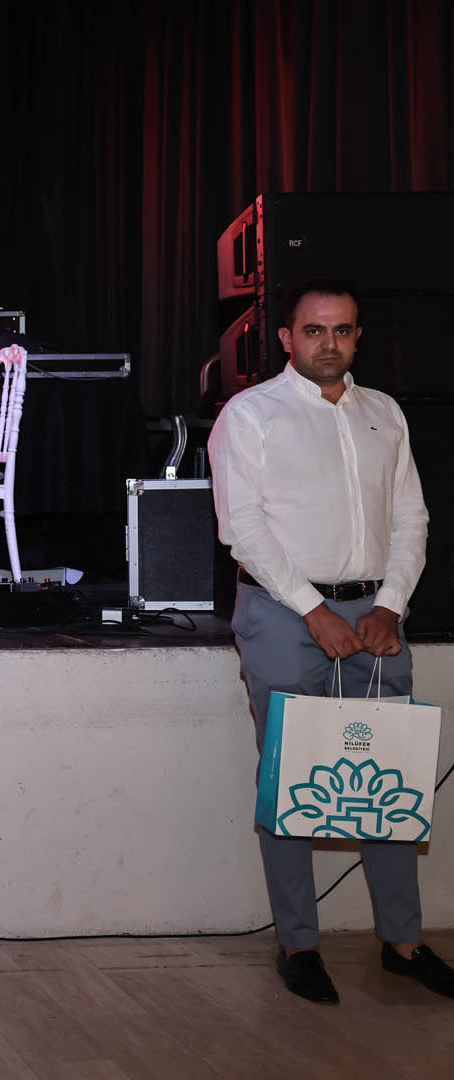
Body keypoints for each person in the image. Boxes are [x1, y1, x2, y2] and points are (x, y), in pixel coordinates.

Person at [208, 275, 453, 1004]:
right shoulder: (250, 414)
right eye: (314, 330)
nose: (329, 343)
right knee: (292, 777)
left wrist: (392, 606)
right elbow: (243, 529)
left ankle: (403, 942)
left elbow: (411, 519)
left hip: (376, 616)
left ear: (357, 337)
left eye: (342, 330)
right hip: (286, 614)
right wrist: (315, 612)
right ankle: (299, 944)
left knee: (387, 775)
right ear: (286, 338)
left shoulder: (385, 412)